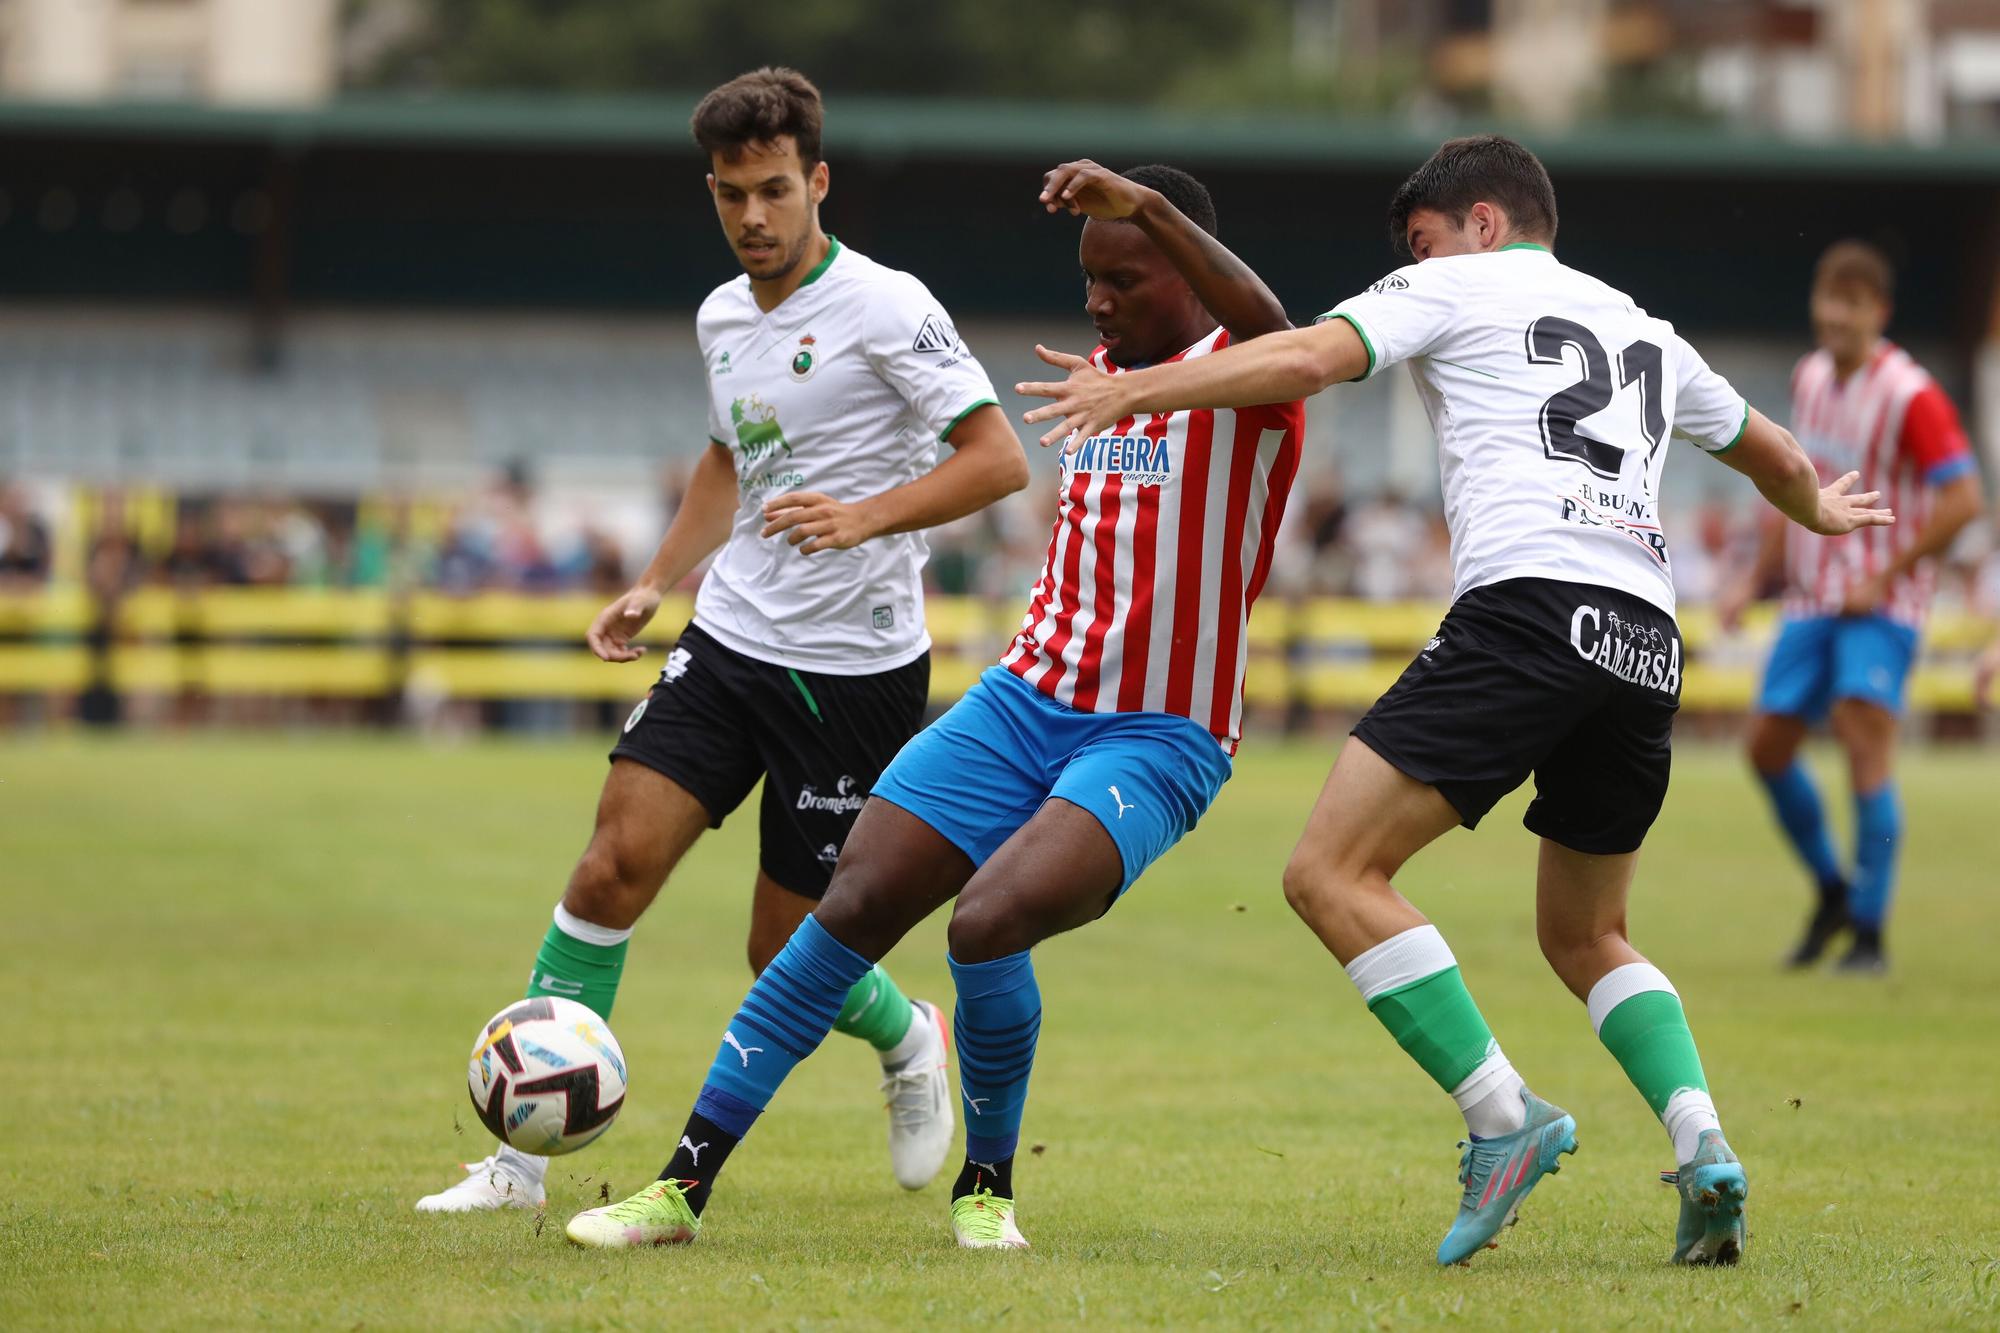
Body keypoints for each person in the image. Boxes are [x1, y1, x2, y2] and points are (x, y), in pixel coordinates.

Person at [1017, 135, 1893, 1266]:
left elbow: (1297, 359)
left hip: (1526, 610)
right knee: (1588, 931)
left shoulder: (1449, 280)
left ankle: (1501, 1116)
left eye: (1420, 241)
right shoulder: (1640, 325)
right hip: (1641, 635)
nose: (1411, 262)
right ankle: (1705, 1142)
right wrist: (1817, 513)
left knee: (1326, 872)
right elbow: (1767, 448)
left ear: (1482, 221)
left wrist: (1134, 387)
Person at [562, 159, 1302, 1251]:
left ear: (1185, 270)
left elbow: (1274, 322)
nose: (1098, 299)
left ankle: (987, 1186)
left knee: (989, 916)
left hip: (1158, 732)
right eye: (1089, 276)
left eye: (1126, 276)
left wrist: (1144, 205)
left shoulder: (1247, 375)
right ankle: (677, 1189)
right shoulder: (1088, 373)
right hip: (1021, 700)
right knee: (844, 910)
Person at [417, 67, 1028, 1212]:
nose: (753, 216)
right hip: (732, 634)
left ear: (818, 183)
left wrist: (864, 515)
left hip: (854, 672)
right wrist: (657, 580)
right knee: (610, 866)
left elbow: (998, 459)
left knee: (781, 951)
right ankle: (516, 1164)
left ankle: (910, 1035)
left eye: (775, 190)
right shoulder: (718, 315)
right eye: (732, 194)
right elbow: (724, 461)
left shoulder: (890, 306)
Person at [1719, 240, 1983, 974]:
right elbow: (1792, 486)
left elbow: (1965, 500)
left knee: (1865, 750)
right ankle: (1834, 890)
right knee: (1765, 747)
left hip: (1881, 602)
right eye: (1827, 299)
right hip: (1810, 595)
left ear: (1879, 311)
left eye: (1851, 303)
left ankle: (1869, 932)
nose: (1834, 316)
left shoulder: (1911, 395)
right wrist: (1751, 579)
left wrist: (1888, 570)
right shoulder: (1808, 378)